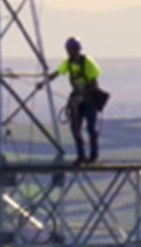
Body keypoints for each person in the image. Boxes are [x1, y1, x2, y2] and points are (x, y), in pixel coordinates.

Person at [38, 36, 103, 165]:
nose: (69, 52)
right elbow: (56, 73)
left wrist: (84, 96)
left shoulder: (88, 63)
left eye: (71, 49)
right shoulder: (68, 63)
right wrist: (43, 83)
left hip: (89, 99)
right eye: (68, 49)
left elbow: (94, 83)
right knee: (75, 128)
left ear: (77, 49)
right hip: (76, 99)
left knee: (91, 128)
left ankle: (93, 156)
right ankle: (81, 156)